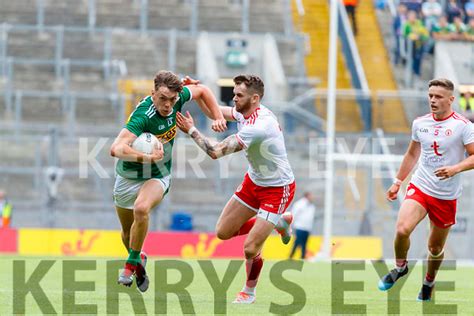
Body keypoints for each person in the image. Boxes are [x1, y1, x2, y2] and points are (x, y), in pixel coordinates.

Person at [176, 74, 296, 304]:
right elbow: (214, 111)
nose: (234, 99)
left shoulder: (260, 126)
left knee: (250, 248)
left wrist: (191, 130)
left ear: (255, 98)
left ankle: (248, 293)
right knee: (223, 232)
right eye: (234, 94)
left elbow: (215, 152)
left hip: (277, 188)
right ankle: (279, 221)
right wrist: (198, 90)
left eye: (238, 95)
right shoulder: (244, 111)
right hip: (254, 182)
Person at [110, 70, 227, 292]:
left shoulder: (178, 97)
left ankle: (128, 266)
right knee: (127, 234)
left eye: (172, 100)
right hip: (128, 176)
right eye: (162, 98)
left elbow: (202, 90)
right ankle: (138, 260)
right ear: (153, 93)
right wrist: (146, 157)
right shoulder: (142, 116)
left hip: (158, 174)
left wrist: (218, 116)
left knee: (141, 209)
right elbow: (116, 149)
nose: (168, 105)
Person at [378, 78, 474, 301]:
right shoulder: (420, 123)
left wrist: (455, 169)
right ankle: (400, 267)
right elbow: (412, 154)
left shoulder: (463, 126)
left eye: (438, 96)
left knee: (434, 247)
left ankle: (429, 280)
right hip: (421, 186)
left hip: (446, 195)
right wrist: (397, 181)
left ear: (451, 100)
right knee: (402, 229)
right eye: (430, 95)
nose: (432, 100)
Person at [289, 192, 316, 260]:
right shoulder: (299, 204)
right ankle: (295, 256)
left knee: (303, 243)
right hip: (299, 226)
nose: (312, 197)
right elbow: (294, 214)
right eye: (311, 196)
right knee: (299, 242)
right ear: (307, 196)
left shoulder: (312, 206)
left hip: (307, 228)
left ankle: (300, 256)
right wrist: (292, 224)